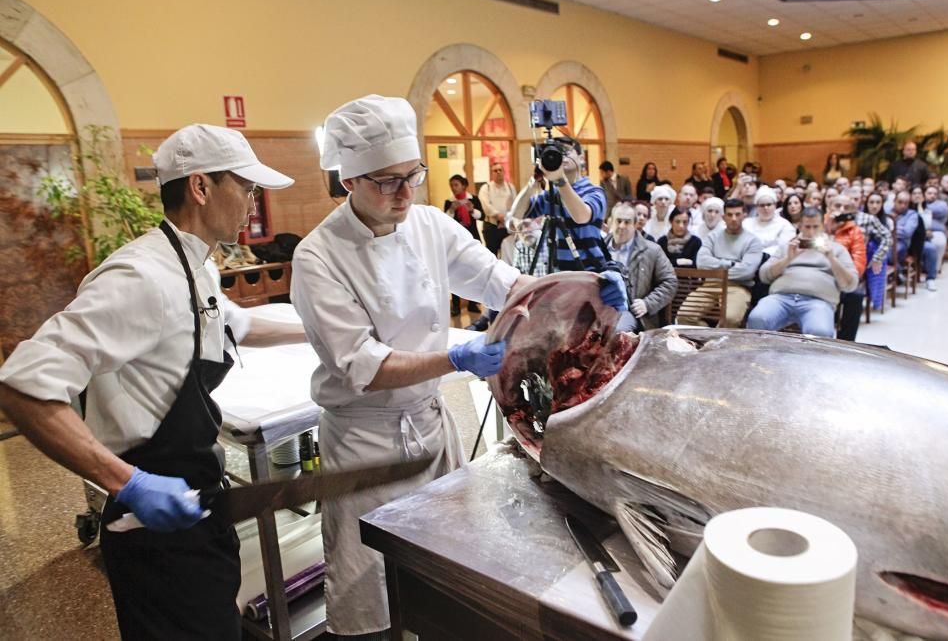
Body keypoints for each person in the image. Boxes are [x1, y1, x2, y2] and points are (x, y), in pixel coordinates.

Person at [294, 96, 619, 640]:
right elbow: (362, 366)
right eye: (386, 182)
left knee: (442, 578)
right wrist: (453, 359)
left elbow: (504, 284)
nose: (405, 193)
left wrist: (588, 286)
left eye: (413, 176)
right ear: (348, 179)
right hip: (364, 444)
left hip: (429, 426)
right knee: (368, 589)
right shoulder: (318, 256)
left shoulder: (427, 225)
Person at [0, 124, 297, 639]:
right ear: (200, 188)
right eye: (246, 187)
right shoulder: (142, 277)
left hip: (197, 510)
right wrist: (127, 482)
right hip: (152, 534)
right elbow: (21, 383)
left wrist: (319, 330)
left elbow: (235, 324)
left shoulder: (193, 263)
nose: (253, 200)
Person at [511, 135, 618, 274]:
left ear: (581, 158)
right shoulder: (552, 195)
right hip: (559, 274)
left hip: (589, 272)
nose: (562, 156)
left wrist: (560, 180)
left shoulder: (594, 192)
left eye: (566, 151)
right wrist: (534, 181)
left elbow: (581, 216)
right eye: (557, 153)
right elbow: (517, 213)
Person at [748, 207, 858, 338]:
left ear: (823, 226)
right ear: (800, 226)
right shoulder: (788, 247)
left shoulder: (837, 249)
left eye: (815, 227)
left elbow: (851, 284)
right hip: (781, 297)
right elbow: (764, 275)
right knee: (757, 318)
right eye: (807, 227)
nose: (811, 232)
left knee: (820, 332)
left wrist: (831, 259)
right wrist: (788, 259)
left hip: (818, 301)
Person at [678, 198, 763, 328]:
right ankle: (707, 338)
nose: (733, 218)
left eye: (737, 214)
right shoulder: (713, 237)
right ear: (723, 217)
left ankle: (719, 344)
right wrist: (731, 264)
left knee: (731, 318)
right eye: (729, 215)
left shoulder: (753, 241)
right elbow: (701, 262)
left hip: (738, 286)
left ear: (744, 216)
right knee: (683, 316)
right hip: (710, 284)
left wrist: (717, 268)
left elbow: (746, 271)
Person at [605, 202, 677, 332]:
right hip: (600, 310)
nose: (621, 226)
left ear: (635, 225)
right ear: (610, 222)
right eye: (618, 221)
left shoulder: (652, 250)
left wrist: (648, 303)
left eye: (627, 222)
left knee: (617, 332)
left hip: (630, 312)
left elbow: (670, 282)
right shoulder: (598, 249)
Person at [826, 195, 868, 341]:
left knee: (856, 295)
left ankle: (846, 341)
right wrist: (829, 229)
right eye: (837, 206)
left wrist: (847, 278)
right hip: (819, 275)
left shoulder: (855, 231)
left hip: (842, 277)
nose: (841, 210)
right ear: (829, 207)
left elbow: (859, 261)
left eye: (846, 208)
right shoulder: (818, 225)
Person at [444, 174, 484, 315]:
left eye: (456, 185)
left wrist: (472, 210)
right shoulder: (449, 201)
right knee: (454, 271)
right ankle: (455, 305)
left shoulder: (473, 199)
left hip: (471, 238)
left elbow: (482, 216)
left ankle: (473, 303)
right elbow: (445, 221)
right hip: (455, 241)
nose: (453, 188)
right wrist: (451, 210)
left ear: (463, 185)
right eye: (451, 185)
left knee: (474, 270)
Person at [892, 190, 939, 290]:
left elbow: (906, 233)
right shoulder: (887, 211)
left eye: (906, 203)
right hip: (888, 242)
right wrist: (899, 228)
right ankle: (899, 272)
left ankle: (930, 279)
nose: (903, 206)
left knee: (931, 248)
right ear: (894, 201)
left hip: (910, 244)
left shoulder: (912, 214)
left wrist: (892, 229)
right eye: (900, 202)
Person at [743, 186, 796, 256]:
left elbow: (783, 250)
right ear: (756, 207)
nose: (766, 208)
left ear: (775, 205)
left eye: (769, 204)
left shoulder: (785, 225)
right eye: (762, 205)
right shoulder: (746, 223)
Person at [478, 161, 517, 256]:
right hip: (492, 227)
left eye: (500, 170)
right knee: (492, 255)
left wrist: (507, 220)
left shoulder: (510, 187)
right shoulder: (485, 188)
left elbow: (515, 206)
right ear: (491, 174)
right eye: (495, 171)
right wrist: (499, 217)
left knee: (508, 253)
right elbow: (486, 206)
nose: (498, 172)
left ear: (504, 172)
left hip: (507, 226)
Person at [924, 185, 948, 273]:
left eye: (935, 194)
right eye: (929, 193)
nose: (932, 195)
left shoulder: (942, 204)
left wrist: (921, 208)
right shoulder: (919, 203)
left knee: (939, 242)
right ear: (924, 193)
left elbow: (940, 211)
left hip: (936, 231)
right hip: (919, 231)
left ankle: (935, 269)